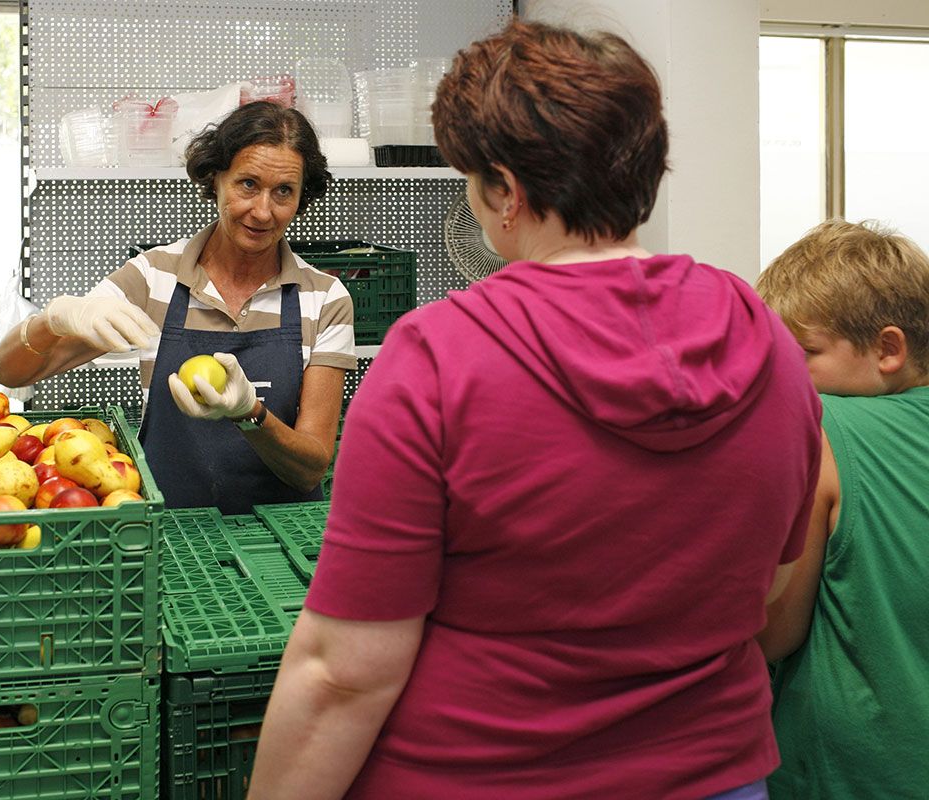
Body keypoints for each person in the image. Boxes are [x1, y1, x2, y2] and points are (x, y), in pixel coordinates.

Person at [248, 19, 823, 800]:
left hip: (480, 776)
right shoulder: (772, 346)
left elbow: (347, 673)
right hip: (713, 777)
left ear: (504, 191)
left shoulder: (437, 359)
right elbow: (766, 588)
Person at [0, 102, 356, 514]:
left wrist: (250, 414)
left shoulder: (325, 297)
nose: (263, 211)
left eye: (283, 191)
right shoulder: (153, 278)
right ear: (215, 178)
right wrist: (53, 319)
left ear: (302, 196)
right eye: (247, 184)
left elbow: (310, 467)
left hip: (281, 543)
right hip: (169, 534)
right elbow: (5, 372)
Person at [754, 220, 929, 799]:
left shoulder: (822, 428)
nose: (782, 376)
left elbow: (775, 631)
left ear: (887, 349)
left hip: (851, 774)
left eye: (804, 354)